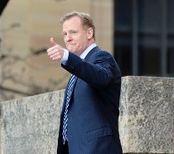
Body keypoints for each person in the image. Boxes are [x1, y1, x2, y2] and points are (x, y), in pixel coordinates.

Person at [47, 11, 123, 154]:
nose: (67, 38)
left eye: (73, 32)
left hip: (98, 149)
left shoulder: (102, 57)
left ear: (89, 33)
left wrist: (66, 56)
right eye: (65, 34)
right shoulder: (78, 70)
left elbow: (101, 77)